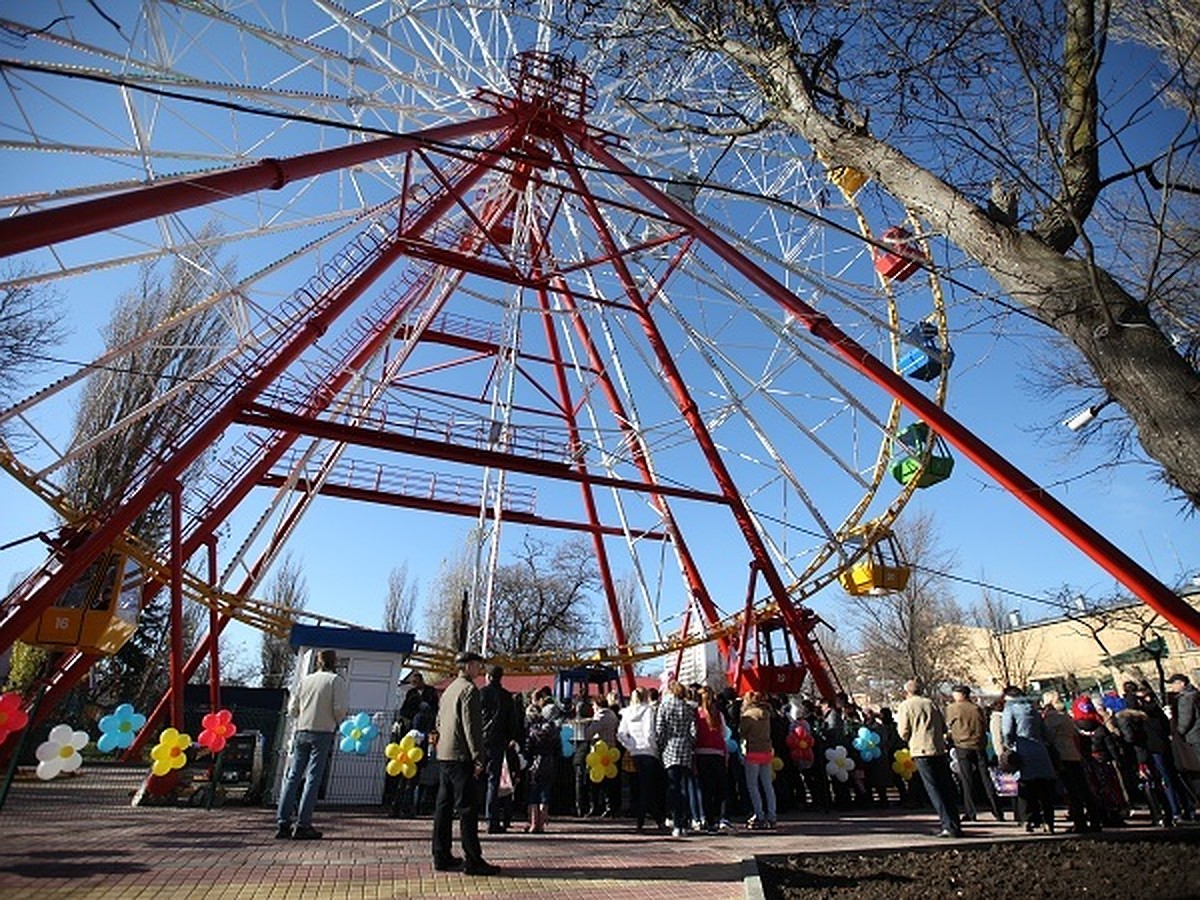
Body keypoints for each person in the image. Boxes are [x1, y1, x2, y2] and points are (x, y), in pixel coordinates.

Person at [431, 650, 500, 876]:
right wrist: (479, 757)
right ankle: (473, 859)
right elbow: (472, 728)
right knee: (467, 808)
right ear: (469, 665)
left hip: (445, 754)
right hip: (461, 756)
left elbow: (439, 721)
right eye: (478, 665)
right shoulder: (470, 690)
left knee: (443, 806)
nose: (480, 669)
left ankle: (441, 854)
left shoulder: (450, 689)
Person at [275, 648, 348, 840]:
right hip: (323, 731)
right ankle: (303, 824)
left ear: (317, 662)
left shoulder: (305, 681)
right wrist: (340, 722)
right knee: (313, 779)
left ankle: (283, 822)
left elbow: (292, 708)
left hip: (302, 730)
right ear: (335, 663)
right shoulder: (336, 681)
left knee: (293, 776)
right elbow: (339, 709)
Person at [896, 678, 962, 838]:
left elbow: (903, 732)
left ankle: (947, 825)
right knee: (946, 787)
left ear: (907, 692)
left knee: (934, 789)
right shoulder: (931, 703)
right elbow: (942, 725)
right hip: (938, 749)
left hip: (921, 750)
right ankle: (955, 823)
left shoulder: (906, 706)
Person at [1001, 685, 1057, 833]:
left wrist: (1008, 746)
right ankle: (1049, 822)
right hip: (1040, 751)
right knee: (1044, 789)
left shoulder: (1009, 710)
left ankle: (1028, 820)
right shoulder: (1033, 710)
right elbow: (1046, 732)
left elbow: (1007, 731)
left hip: (1022, 749)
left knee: (1025, 788)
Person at [1042, 690, 1100, 833]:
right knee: (1083, 788)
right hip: (1074, 754)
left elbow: (1048, 738)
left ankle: (1080, 822)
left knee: (1071, 791)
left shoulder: (1051, 719)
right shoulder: (1067, 717)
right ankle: (1094, 820)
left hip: (1061, 756)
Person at [944, 684, 1003, 821]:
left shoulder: (953, 708)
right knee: (986, 778)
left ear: (959, 695)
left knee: (966, 780)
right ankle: (997, 811)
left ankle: (971, 812)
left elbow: (948, 725)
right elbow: (983, 725)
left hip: (962, 745)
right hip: (979, 745)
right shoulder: (977, 708)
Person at [480, 664, 520, 833]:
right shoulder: (506, 697)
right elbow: (513, 722)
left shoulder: (481, 693)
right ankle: (492, 820)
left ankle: (471, 817)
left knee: (475, 779)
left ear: (488, 677)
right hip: (498, 742)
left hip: (480, 741)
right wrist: (511, 738)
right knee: (493, 781)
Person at [617, 687, 664, 832]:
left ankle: (650, 819)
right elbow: (649, 731)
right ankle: (646, 820)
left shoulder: (627, 712)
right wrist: (653, 747)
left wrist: (631, 746)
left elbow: (621, 733)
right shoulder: (649, 710)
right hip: (648, 751)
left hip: (635, 752)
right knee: (648, 787)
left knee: (641, 786)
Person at [656, 679, 697, 837]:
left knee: (673, 786)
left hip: (670, 748)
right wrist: (690, 743)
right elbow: (693, 731)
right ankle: (685, 822)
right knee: (684, 786)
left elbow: (660, 729)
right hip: (685, 748)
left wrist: (661, 745)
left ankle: (675, 821)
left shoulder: (665, 706)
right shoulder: (688, 708)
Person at [739, 689, 777, 830]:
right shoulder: (766, 714)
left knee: (753, 786)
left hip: (753, 751)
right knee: (768, 785)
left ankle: (759, 813)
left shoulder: (747, 716)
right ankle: (772, 814)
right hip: (766, 750)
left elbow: (742, 732)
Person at [521, 702, 560, 834]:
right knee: (545, 794)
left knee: (533, 794)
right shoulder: (554, 730)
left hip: (535, 763)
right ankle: (542, 824)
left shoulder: (533, 731)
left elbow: (527, 749)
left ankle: (533, 823)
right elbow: (558, 749)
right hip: (549, 762)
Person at [1166, 673, 1200, 812]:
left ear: (1181, 683)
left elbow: (1185, 720)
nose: (1172, 687)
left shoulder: (1185, 699)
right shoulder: (1195, 694)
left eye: (1174, 684)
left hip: (1193, 737)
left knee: (1196, 769)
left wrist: (1177, 733)